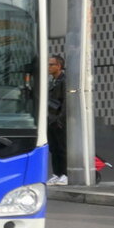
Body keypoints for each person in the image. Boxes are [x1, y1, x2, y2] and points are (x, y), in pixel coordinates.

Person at [47, 54, 67, 185]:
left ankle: (65, 174)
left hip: (59, 120)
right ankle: (57, 173)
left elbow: (66, 102)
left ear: (58, 66)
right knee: (53, 148)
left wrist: (60, 119)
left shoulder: (64, 81)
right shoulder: (52, 81)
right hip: (50, 119)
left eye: (51, 64)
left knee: (62, 148)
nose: (48, 67)